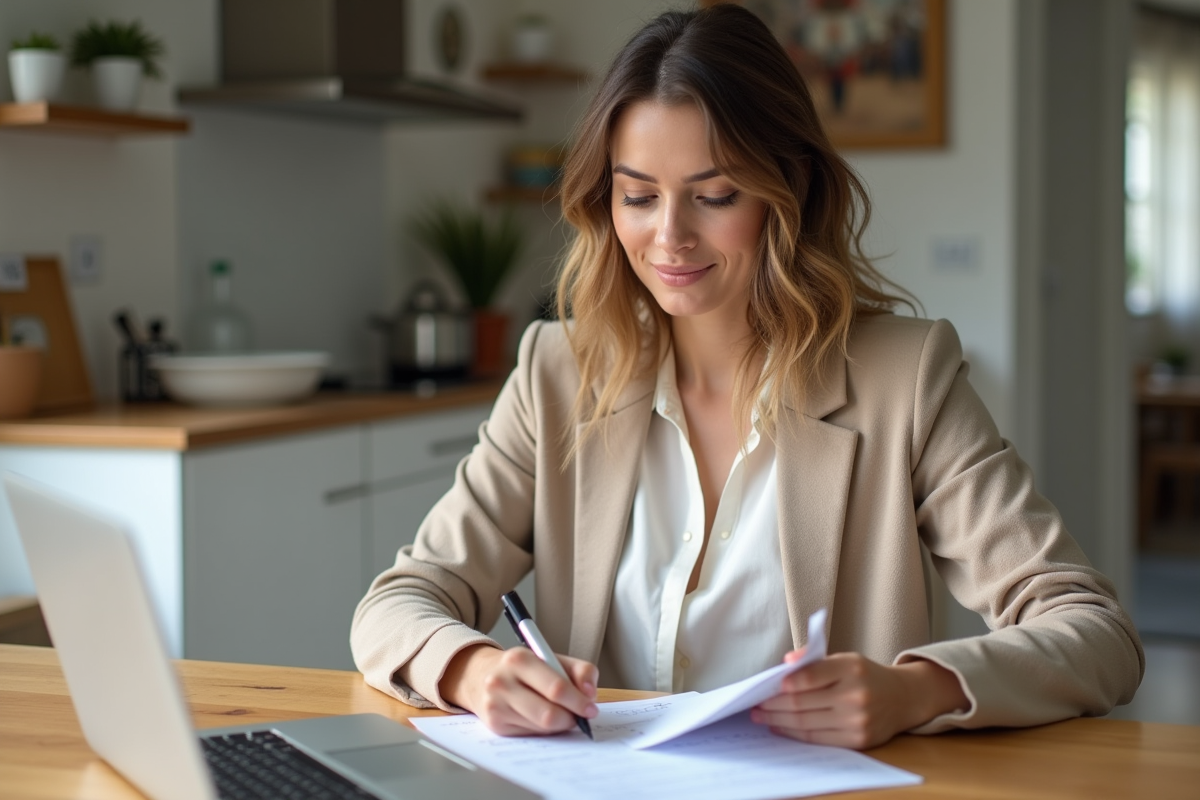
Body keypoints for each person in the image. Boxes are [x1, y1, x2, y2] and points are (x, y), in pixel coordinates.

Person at [351, 4, 1143, 750]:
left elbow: (1095, 632)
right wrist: (474, 668)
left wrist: (916, 691)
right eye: (637, 196)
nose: (668, 237)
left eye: (715, 195)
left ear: (787, 191)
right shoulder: (557, 373)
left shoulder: (906, 380)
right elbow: (397, 603)